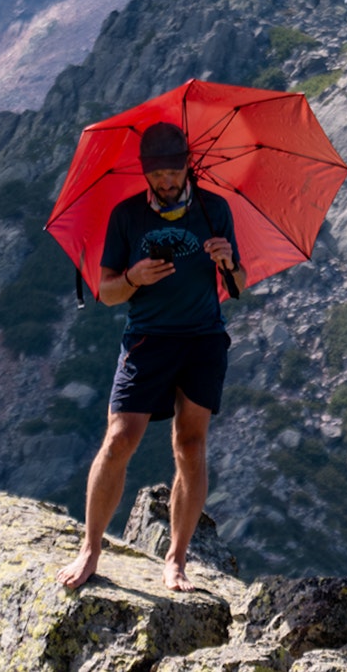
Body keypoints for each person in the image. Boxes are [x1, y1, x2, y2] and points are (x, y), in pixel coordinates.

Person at [57, 121, 245, 592]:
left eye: (172, 172)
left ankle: (177, 560)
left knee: (191, 445)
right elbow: (107, 291)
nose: (165, 182)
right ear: (145, 173)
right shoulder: (127, 217)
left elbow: (239, 285)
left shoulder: (213, 209)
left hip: (203, 338)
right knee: (120, 439)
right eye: (156, 175)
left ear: (187, 166)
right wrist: (135, 277)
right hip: (147, 339)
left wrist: (228, 262)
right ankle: (90, 548)